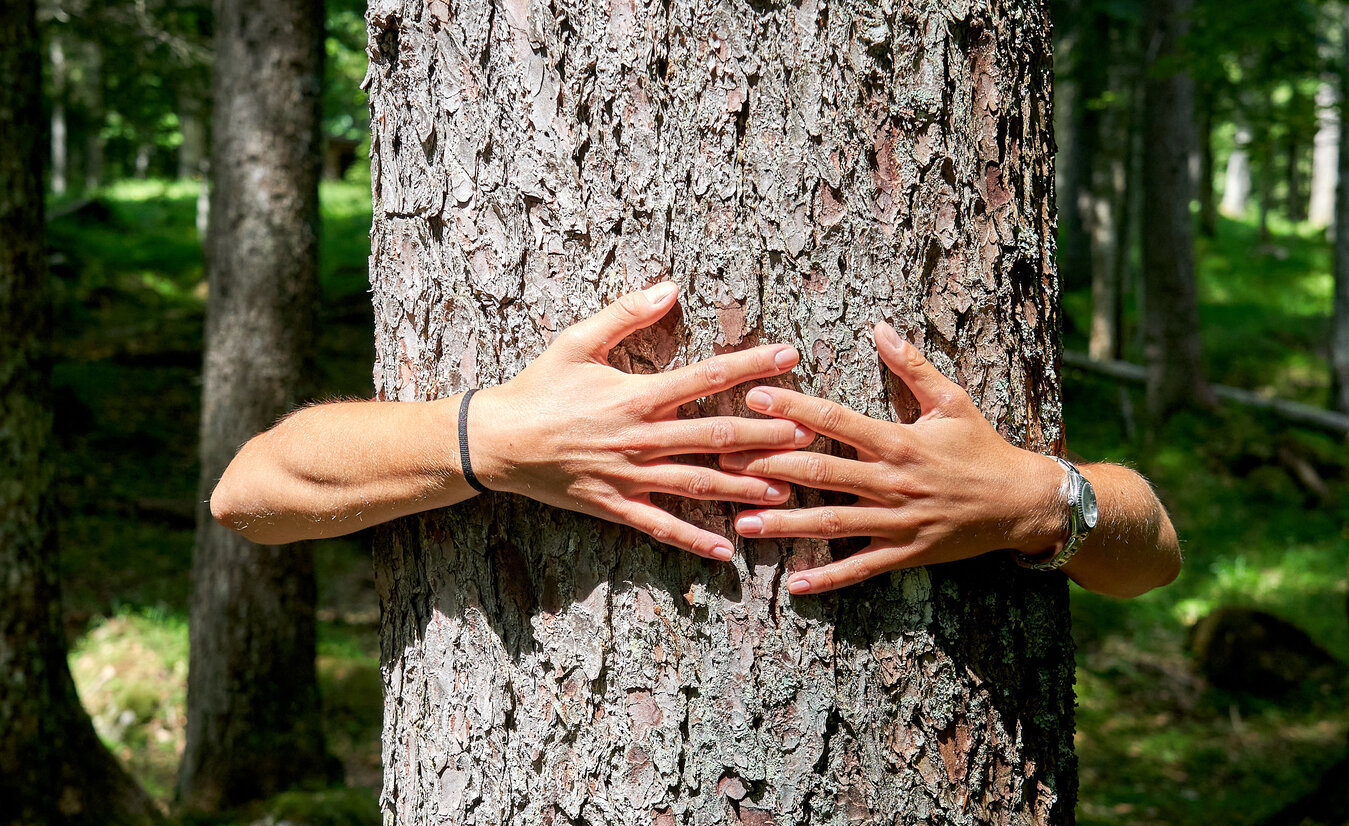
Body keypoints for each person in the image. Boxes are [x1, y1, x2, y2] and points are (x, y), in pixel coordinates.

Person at [210, 281, 1180, 599]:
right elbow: (250, 494)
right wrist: (492, 438)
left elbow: (1154, 557)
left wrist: (1032, 500)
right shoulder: (503, 432)